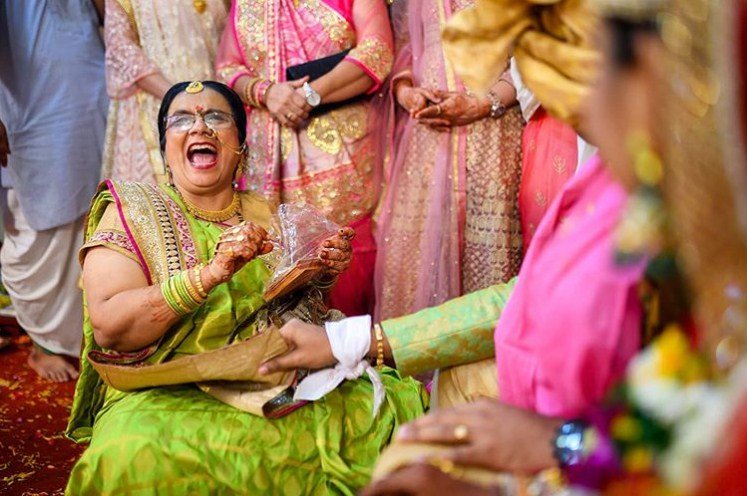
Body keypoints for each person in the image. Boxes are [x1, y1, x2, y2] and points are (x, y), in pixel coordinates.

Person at [260, 0, 647, 437]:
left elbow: (528, 302)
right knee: (456, 382)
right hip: (585, 396)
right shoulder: (606, 180)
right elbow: (525, 298)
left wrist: (355, 342)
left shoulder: (642, 196)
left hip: (615, 416)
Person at [65, 81, 426, 494]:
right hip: (166, 388)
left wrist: (317, 270)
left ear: (241, 149)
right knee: (136, 451)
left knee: (388, 415)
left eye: (216, 117)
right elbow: (111, 326)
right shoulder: (132, 209)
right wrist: (210, 273)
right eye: (182, 119)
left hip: (273, 382)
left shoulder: (263, 211)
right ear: (166, 147)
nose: (200, 127)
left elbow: (287, 312)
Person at [215, 0, 394, 316]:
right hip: (267, 161)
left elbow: (376, 52)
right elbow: (227, 68)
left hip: (343, 161)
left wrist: (308, 95)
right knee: (276, 273)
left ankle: (355, 356)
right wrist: (265, 92)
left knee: (350, 263)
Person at [373, 0, 524, 321]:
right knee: (419, 265)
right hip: (428, 135)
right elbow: (406, 43)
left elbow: (534, 53)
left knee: (490, 272)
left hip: (495, 135)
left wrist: (483, 104)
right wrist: (406, 93)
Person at [0, 0, 108, 382]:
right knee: (40, 218)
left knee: (92, 210)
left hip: (90, 80)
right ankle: (42, 340)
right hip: (32, 97)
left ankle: (87, 332)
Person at [101, 0, 229, 184]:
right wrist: (178, 97)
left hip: (212, 103)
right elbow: (121, 50)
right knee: (157, 203)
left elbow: (230, 35)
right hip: (154, 105)